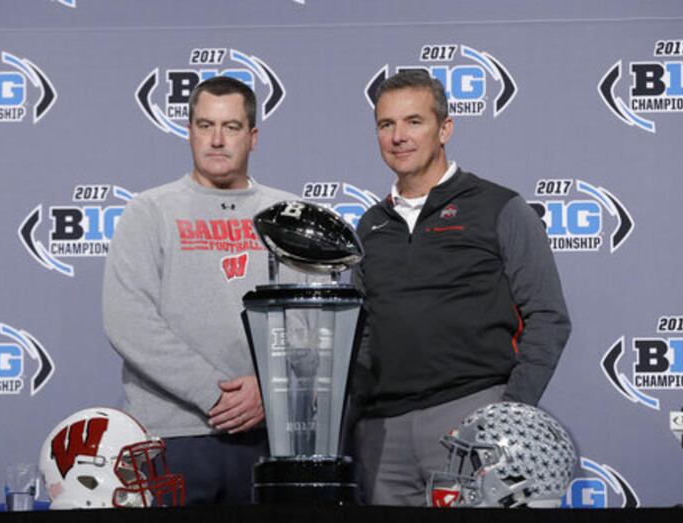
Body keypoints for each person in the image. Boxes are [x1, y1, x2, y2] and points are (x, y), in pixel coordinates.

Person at [350, 70, 571, 506]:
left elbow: (548, 317)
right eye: (386, 124)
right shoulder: (370, 225)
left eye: (414, 121)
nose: (399, 136)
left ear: (445, 127)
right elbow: (364, 334)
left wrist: (507, 417)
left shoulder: (499, 207)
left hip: (471, 419)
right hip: (381, 434)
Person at [102, 76, 298, 504]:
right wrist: (215, 395)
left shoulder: (288, 214)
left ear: (253, 136)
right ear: (188, 131)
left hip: (271, 433)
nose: (216, 139)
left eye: (231, 127)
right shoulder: (149, 211)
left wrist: (269, 389)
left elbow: (308, 321)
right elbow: (128, 321)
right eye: (205, 125)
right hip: (172, 434)